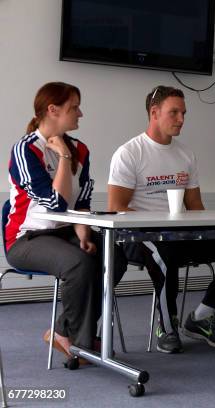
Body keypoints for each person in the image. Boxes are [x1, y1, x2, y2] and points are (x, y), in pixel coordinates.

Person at [108, 86, 215, 353]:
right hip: (139, 236)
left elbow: (195, 206)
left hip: (180, 234)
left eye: (183, 113)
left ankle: (203, 315)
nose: (181, 119)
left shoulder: (186, 154)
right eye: (174, 112)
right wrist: (157, 222)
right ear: (154, 113)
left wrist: (210, 229)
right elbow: (116, 207)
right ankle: (167, 324)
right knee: (164, 253)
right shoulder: (129, 153)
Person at [6, 82, 126, 358]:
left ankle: (63, 331)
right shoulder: (25, 150)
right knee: (78, 264)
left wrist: (83, 234)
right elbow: (57, 203)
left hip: (66, 233)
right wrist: (62, 155)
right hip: (27, 238)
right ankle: (80, 343)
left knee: (114, 257)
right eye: (74, 107)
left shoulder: (81, 150)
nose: (80, 114)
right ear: (53, 110)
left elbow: (80, 203)